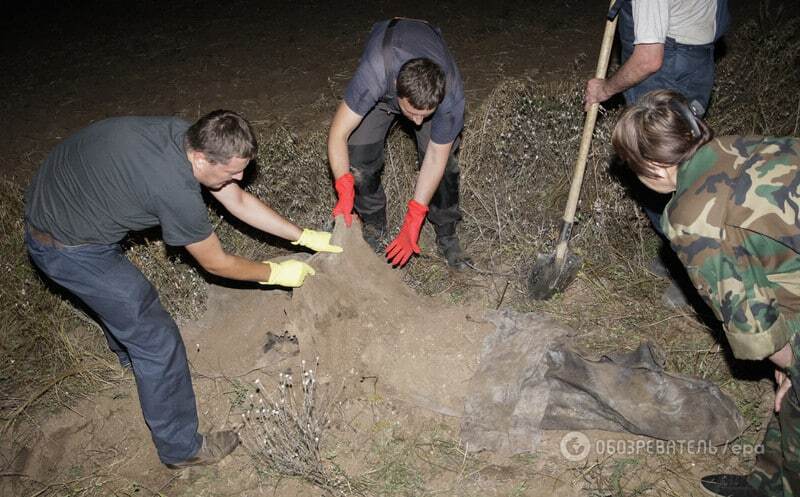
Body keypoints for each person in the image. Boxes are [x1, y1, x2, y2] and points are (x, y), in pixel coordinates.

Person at [24, 110, 342, 469]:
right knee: (156, 338)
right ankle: (181, 448)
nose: (241, 178)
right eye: (233, 171)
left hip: (60, 197)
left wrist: (302, 236)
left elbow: (236, 199)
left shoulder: (185, 135)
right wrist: (276, 272)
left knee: (126, 301)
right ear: (202, 158)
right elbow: (216, 263)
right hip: (66, 246)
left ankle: (132, 359)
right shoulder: (174, 187)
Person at [613, 89, 800, 497]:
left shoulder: (691, 214)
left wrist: (789, 366)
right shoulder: (739, 146)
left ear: (654, 167)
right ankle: (768, 485)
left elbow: (753, 324)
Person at [585, 0, 730, 306]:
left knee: (657, 171)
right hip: (697, 60)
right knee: (690, 169)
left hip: (667, 68)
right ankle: (693, 258)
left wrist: (605, 89)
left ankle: (692, 270)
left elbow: (648, 59)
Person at [328, 17, 470, 269]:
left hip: (424, 72)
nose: (417, 122)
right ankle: (374, 223)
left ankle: (447, 234)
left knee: (445, 167)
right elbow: (338, 133)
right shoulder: (374, 73)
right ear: (396, 89)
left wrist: (414, 218)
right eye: (412, 112)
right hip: (386, 69)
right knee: (359, 155)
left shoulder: (450, 95)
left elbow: (436, 157)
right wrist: (344, 185)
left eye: (425, 115)